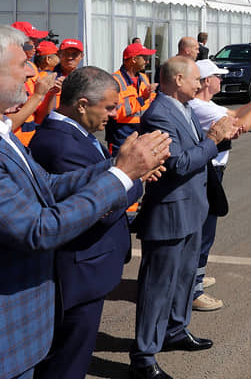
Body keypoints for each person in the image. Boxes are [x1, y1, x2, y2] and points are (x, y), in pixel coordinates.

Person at [0, 25, 170, 379]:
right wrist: (123, 175)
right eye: (22, 64)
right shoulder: (47, 138)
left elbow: (48, 185)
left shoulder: (5, 133)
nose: (32, 72)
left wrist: (119, 167)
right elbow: (39, 229)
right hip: (14, 324)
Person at [30, 67, 147, 379]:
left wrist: (128, 173)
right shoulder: (61, 145)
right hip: (78, 272)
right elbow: (95, 209)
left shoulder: (77, 135)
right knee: (67, 362)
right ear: (82, 105)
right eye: (108, 107)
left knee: (75, 356)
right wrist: (134, 178)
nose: (114, 114)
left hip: (88, 267)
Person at [130, 56, 238, 379]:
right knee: (157, 286)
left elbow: (197, 148)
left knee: (185, 277)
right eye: (195, 79)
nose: (200, 84)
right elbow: (177, 164)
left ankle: (175, 330)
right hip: (170, 213)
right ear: (177, 80)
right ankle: (144, 356)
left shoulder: (186, 108)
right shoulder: (159, 114)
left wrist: (222, 137)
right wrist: (213, 140)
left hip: (193, 207)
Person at [188, 59, 251, 312]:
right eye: (218, 76)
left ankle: (196, 277)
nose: (222, 79)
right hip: (209, 172)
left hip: (213, 170)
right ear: (207, 81)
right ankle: (194, 290)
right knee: (204, 232)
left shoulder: (206, 104)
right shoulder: (201, 107)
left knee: (206, 230)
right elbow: (242, 125)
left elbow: (235, 115)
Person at [106, 43, 158, 155]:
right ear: (134, 59)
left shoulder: (143, 77)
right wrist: (142, 99)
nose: (147, 61)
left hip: (142, 131)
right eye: (144, 58)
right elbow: (116, 112)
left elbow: (149, 102)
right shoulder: (114, 80)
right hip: (121, 133)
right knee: (119, 164)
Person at [34, 38, 83, 123]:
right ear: (59, 54)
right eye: (66, 54)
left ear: (81, 56)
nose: (70, 57)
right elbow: (39, 115)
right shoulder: (46, 77)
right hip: (51, 124)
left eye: (74, 54)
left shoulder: (85, 79)